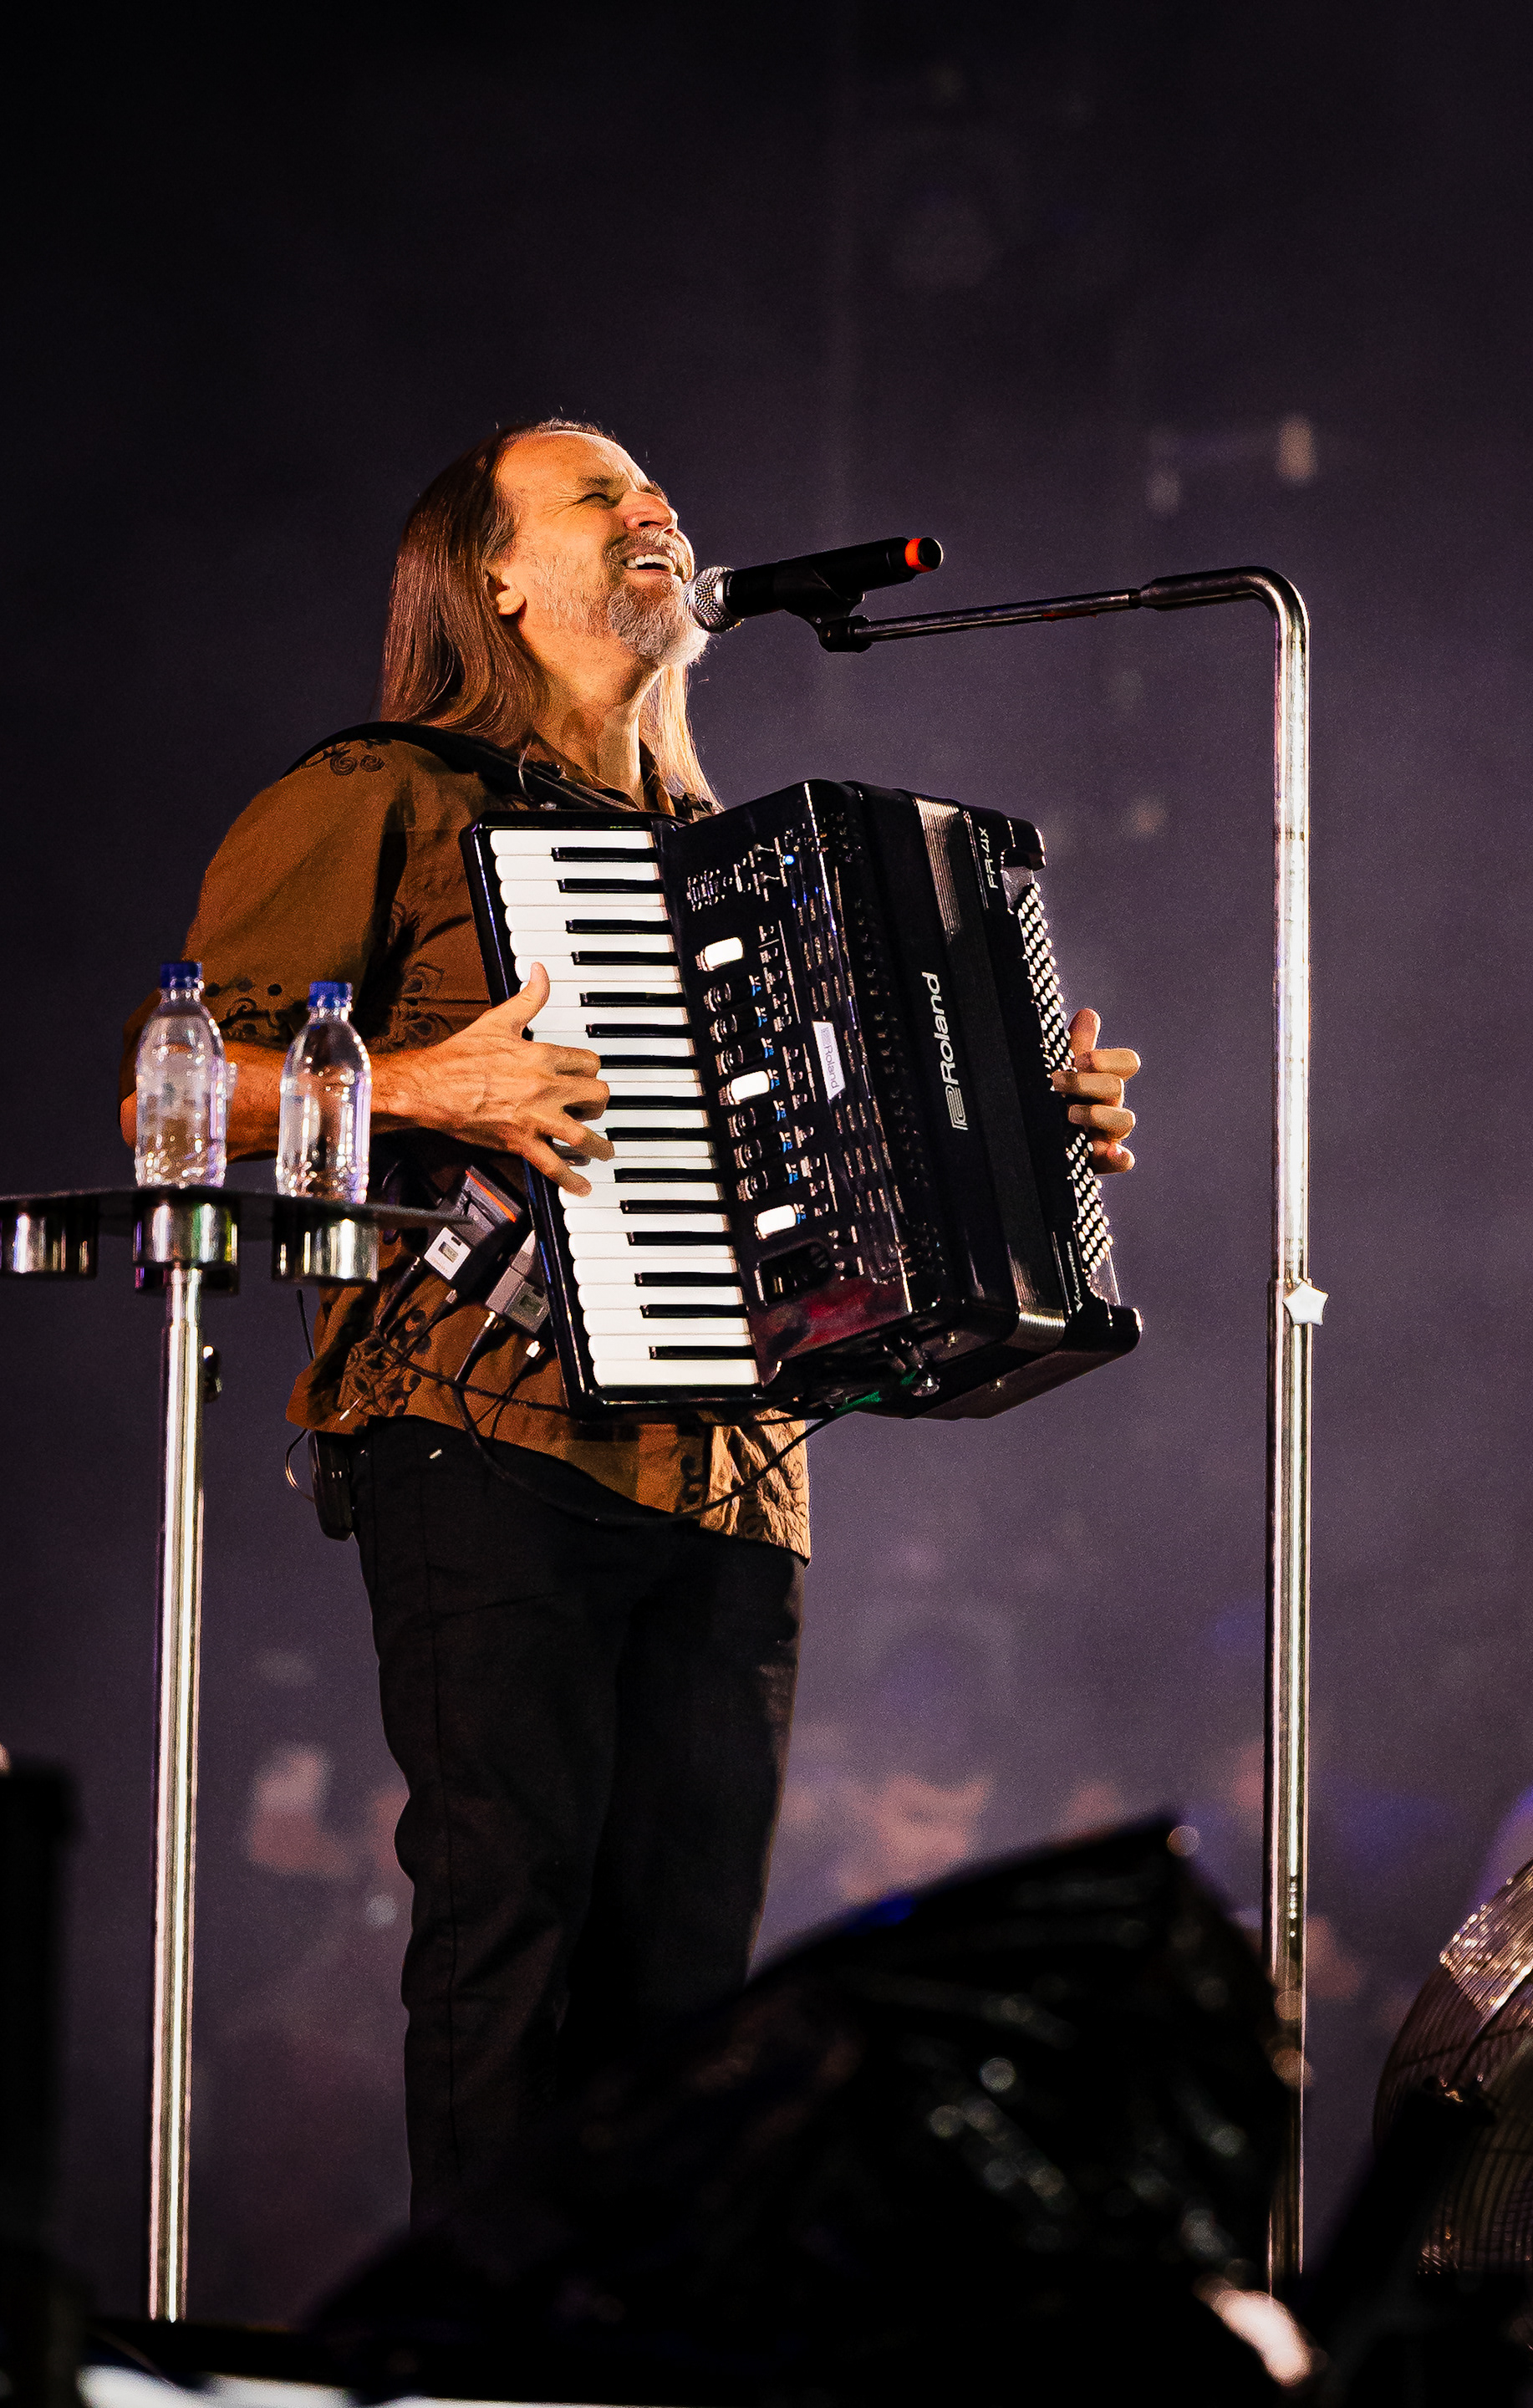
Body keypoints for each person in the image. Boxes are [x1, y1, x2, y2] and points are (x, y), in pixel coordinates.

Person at [117, 417, 1141, 2226]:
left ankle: (627, 2345)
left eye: (659, 486)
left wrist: (1020, 1114)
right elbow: (167, 1095)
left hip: (738, 1474)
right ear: (494, 577)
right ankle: (485, 2347)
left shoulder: (729, 853)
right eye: (597, 492)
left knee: (686, 1995)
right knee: (510, 1937)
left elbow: (845, 1151)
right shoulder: (384, 791)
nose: (653, 504)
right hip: (482, 1428)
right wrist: (429, 1081)